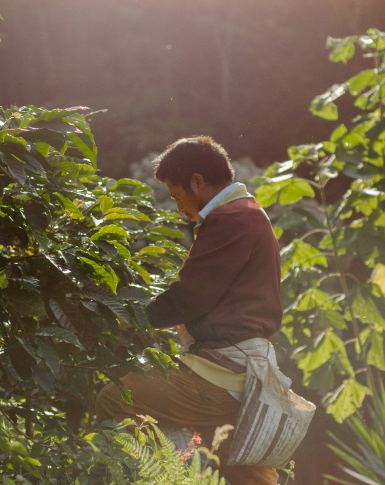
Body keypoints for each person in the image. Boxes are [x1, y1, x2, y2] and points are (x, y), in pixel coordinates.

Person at [95, 136, 282, 485]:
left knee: (115, 400)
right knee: (248, 478)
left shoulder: (230, 218)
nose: (180, 209)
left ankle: (161, 477)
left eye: (178, 196)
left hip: (221, 375)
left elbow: (191, 297)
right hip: (244, 372)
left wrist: (131, 318)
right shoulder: (249, 213)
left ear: (197, 181)